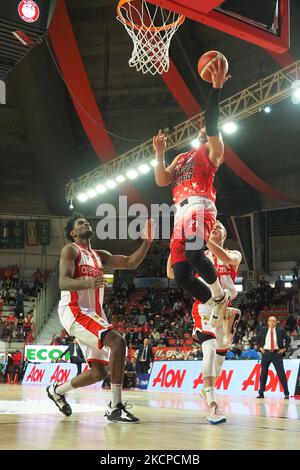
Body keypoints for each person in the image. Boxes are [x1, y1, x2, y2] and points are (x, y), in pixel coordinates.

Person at [46, 213, 154, 423]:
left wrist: (147, 242)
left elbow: (130, 262)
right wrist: (89, 284)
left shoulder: (98, 254)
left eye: (86, 221)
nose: (85, 223)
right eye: (80, 223)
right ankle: (115, 406)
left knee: (99, 372)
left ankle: (57, 391)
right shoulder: (71, 250)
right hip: (74, 308)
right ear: (73, 232)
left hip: (93, 312)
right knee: (118, 341)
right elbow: (64, 282)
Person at [154, 58, 231, 328]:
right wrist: (160, 154)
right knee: (181, 275)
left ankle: (220, 297)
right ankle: (214, 305)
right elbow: (162, 180)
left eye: (207, 131)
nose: (204, 131)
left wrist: (217, 88)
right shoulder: (183, 157)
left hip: (200, 205)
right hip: (180, 212)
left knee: (197, 254)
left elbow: (211, 122)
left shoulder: (213, 151)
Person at [167, 220, 242, 424]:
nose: (216, 226)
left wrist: (204, 237)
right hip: (204, 305)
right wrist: (174, 246)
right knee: (208, 351)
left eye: (220, 226)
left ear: (225, 235)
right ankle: (212, 404)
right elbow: (171, 273)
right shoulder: (199, 255)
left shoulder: (233, 254)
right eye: (213, 224)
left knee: (220, 358)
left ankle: (205, 389)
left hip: (226, 307)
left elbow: (226, 257)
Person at [257, 316, 291, 399]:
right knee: (263, 374)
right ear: (268, 322)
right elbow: (257, 340)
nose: (272, 322)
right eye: (270, 321)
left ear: (276, 323)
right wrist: (260, 348)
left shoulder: (281, 330)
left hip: (276, 354)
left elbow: (288, 339)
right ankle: (261, 393)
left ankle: (286, 393)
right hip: (266, 353)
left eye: (273, 321)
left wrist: (284, 349)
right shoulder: (263, 330)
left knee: (281, 374)